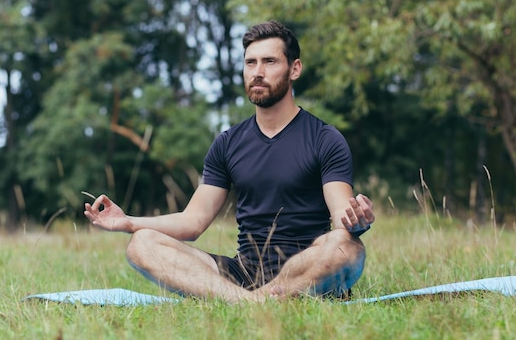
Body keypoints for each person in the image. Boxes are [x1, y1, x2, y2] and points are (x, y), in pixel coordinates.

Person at [84, 20, 374, 302]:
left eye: (270, 62)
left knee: (346, 246)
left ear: (294, 69)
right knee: (142, 244)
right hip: (242, 273)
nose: (258, 72)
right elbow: (192, 222)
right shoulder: (228, 143)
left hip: (306, 265)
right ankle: (252, 302)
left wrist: (356, 222)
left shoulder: (324, 138)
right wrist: (127, 222)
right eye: (251, 63)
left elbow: (341, 219)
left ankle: (257, 298)